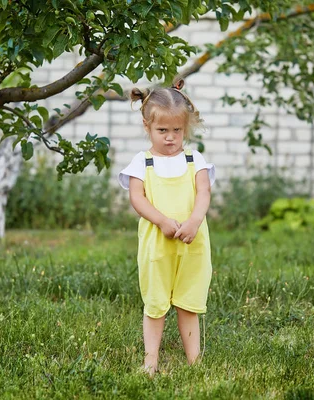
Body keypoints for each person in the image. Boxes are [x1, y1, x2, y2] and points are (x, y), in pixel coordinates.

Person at [118, 79, 215, 376]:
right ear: (148, 127)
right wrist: (161, 220)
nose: (171, 137)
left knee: (188, 303)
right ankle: (151, 361)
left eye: (177, 131)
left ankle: (194, 361)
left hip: (192, 245)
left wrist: (194, 221)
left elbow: (204, 193)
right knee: (156, 303)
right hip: (157, 247)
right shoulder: (142, 162)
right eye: (162, 131)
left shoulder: (193, 159)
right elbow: (137, 198)